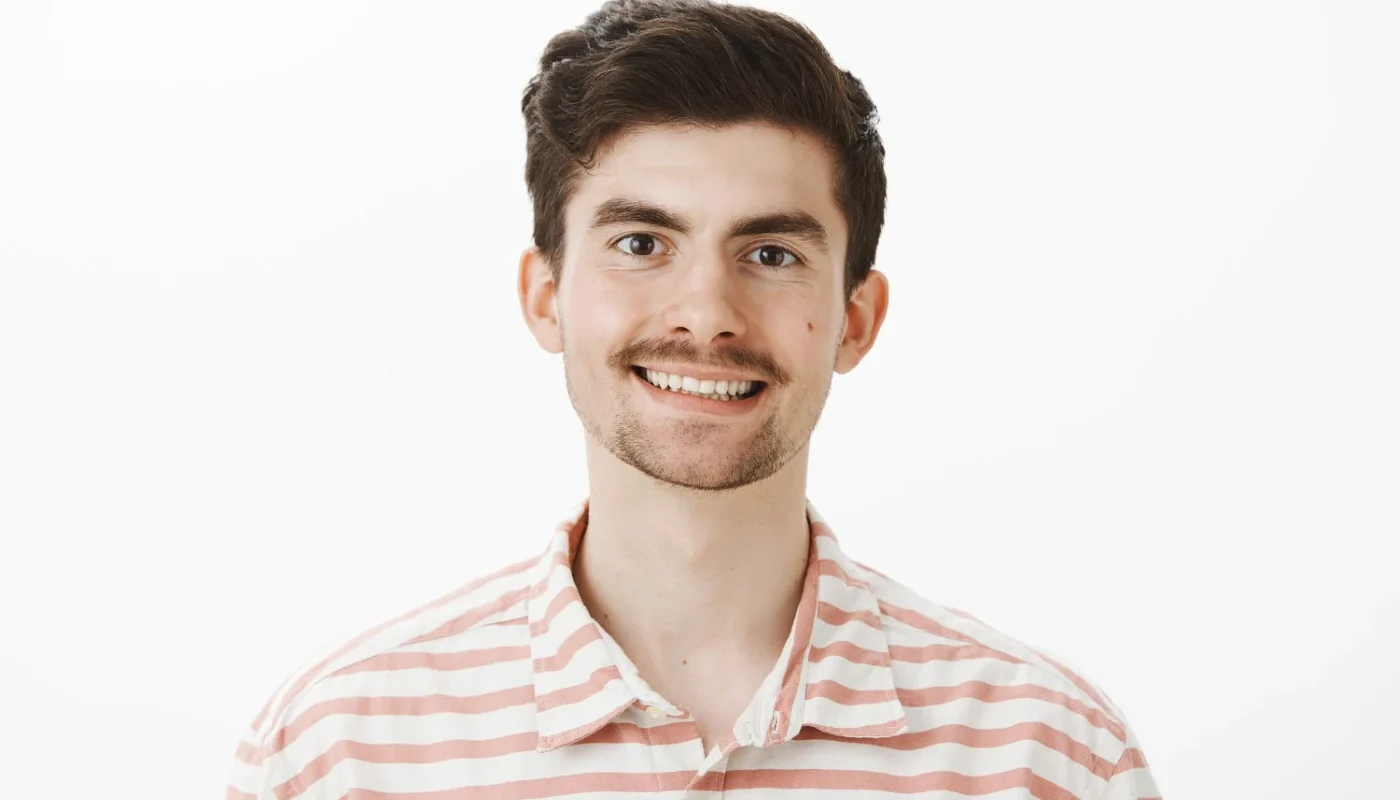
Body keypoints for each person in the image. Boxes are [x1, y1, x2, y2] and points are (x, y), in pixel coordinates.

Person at [226, 1, 1162, 797]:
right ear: (545, 297)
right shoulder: (338, 755)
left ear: (855, 320)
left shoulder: (1050, 757)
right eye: (641, 244)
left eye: (772, 254)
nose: (707, 314)